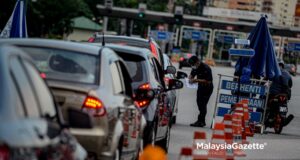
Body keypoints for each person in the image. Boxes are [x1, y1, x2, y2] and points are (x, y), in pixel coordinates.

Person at [188, 56, 213, 127]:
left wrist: (195, 80)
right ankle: (201, 121)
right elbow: (192, 74)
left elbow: (208, 81)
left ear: (198, 62)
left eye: (193, 64)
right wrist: (190, 78)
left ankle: (201, 121)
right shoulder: (195, 67)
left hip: (207, 88)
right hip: (200, 87)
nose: (193, 66)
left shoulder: (206, 68)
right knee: (199, 102)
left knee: (203, 104)